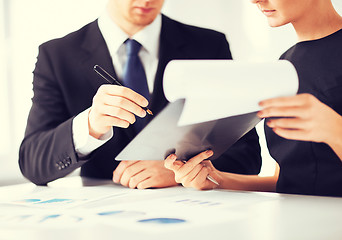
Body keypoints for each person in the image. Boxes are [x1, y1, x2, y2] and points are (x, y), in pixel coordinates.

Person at [19, 0, 262, 187]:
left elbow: (248, 156)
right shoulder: (58, 55)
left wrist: (179, 171)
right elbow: (32, 163)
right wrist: (89, 126)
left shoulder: (209, 45)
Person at [165, 0, 342, 197]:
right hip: (296, 220)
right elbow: (287, 180)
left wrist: (336, 131)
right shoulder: (286, 64)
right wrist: (215, 179)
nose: (255, 0)